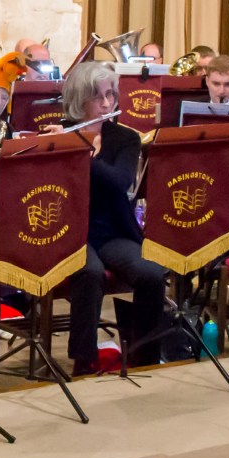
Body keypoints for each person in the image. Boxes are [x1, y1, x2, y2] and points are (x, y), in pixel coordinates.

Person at [56, 62, 168, 374]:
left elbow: (121, 181)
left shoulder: (124, 138)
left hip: (112, 230)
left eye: (111, 95)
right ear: (79, 99)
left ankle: (145, 357)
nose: (107, 104)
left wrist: (81, 152)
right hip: (70, 231)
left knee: (151, 273)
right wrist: (58, 146)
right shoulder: (57, 135)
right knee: (89, 273)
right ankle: (84, 360)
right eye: (98, 97)